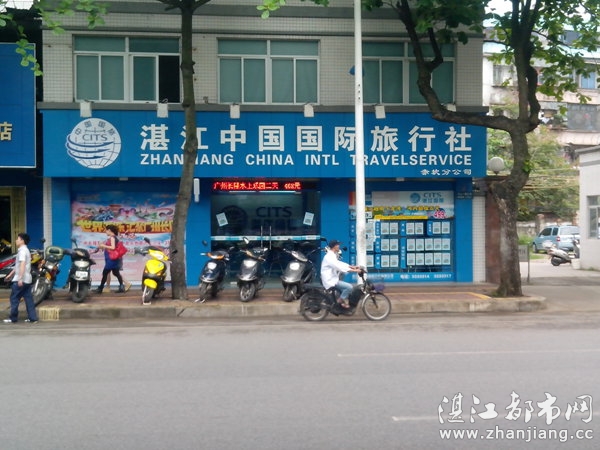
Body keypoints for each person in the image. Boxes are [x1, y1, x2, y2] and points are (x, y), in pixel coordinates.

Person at [3, 232, 38, 323]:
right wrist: (10, 275)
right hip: (27, 279)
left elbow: (22, 264)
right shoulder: (26, 250)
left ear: (22, 241)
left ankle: (13, 318)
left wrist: (20, 278)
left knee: (14, 298)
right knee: (29, 299)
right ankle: (33, 318)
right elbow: (17, 266)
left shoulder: (22, 251)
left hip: (21, 279)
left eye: (18, 239)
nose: (16, 240)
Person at [320, 239, 360, 309]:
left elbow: (339, 263)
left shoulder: (332, 255)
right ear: (334, 246)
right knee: (349, 287)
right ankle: (338, 303)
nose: (339, 246)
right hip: (330, 280)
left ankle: (341, 300)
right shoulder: (329, 257)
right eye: (338, 245)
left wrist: (352, 266)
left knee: (343, 280)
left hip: (333, 278)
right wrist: (355, 270)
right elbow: (338, 267)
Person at [94, 225, 126, 294]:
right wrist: (102, 247)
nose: (105, 232)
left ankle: (100, 288)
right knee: (116, 273)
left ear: (109, 230)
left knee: (105, 273)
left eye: (106, 230)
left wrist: (103, 245)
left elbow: (113, 247)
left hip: (111, 260)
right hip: (112, 259)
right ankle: (121, 287)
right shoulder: (113, 238)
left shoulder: (112, 238)